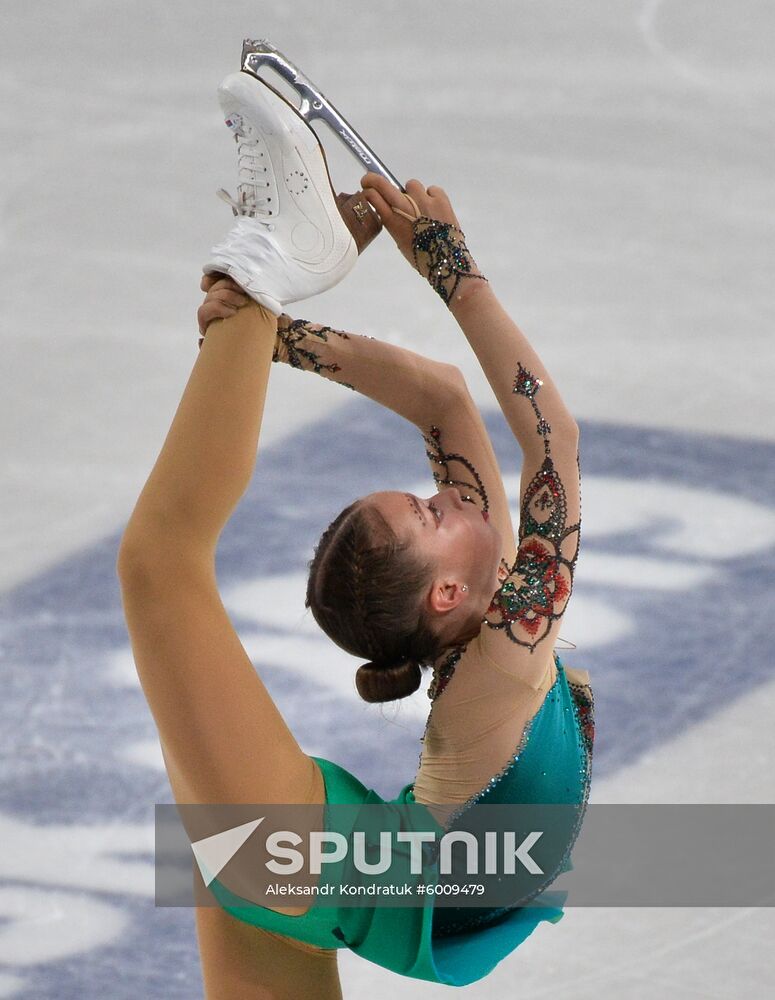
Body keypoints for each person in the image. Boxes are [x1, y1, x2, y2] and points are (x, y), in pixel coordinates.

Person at [117, 68, 594, 1000]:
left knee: (158, 564)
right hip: (328, 872)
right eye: (428, 512)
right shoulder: (502, 646)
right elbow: (549, 445)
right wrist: (450, 271)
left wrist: (273, 333)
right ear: (443, 594)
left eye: (428, 504)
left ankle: (262, 268)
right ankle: (262, 255)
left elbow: (445, 399)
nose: (447, 498)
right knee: (158, 564)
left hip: (327, 869)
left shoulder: (490, 622)